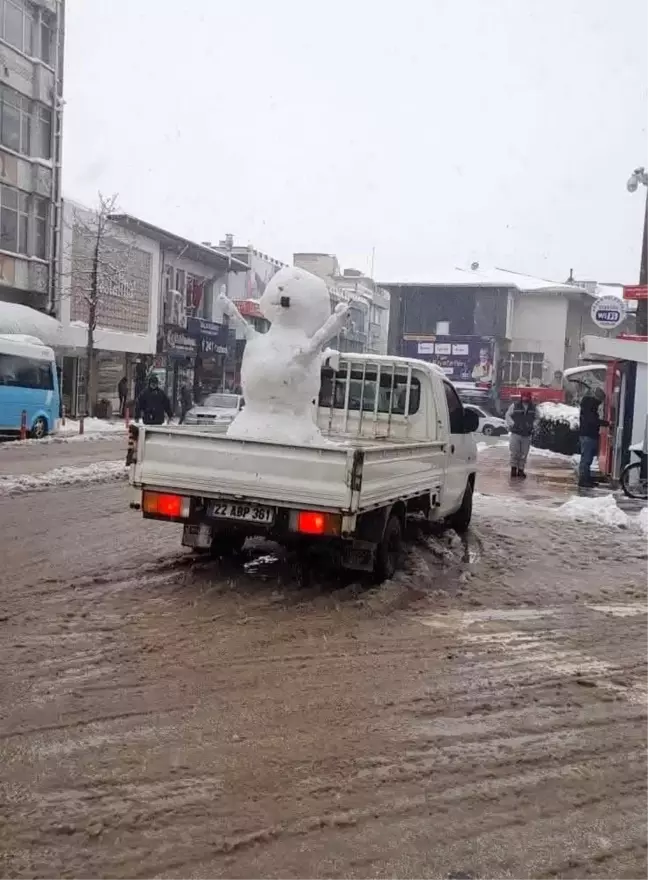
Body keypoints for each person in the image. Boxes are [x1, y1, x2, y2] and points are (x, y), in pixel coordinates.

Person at [578, 387, 608, 488]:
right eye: (601, 401)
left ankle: (586, 478)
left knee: (587, 458)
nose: (600, 403)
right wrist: (605, 423)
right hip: (588, 435)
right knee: (586, 458)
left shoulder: (588, 405)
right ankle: (583, 480)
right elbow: (592, 421)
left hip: (588, 435)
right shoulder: (590, 406)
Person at [505, 389, 537, 479]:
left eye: (527, 397)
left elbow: (537, 418)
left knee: (524, 453)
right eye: (524, 396)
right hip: (516, 433)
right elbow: (508, 415)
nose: (525, 398)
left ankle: (521, 470)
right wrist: (513, 424)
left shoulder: (533, 408)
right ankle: (513, 469)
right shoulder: (514, 405)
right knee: (514, 452)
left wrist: (533, 425)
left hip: (527, 434)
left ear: (530, 397)